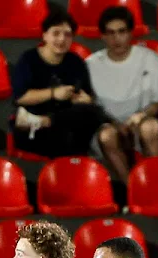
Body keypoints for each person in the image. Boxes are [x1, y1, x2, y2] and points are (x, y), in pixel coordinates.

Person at [86, 7, 158, 184]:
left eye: (121, 31)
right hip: (107, 125)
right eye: (110, 33)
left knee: (150, 127)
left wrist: (140, 117)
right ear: (103, 36)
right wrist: (115, 124)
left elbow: (157, 102)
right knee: (107, 136)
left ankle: (156, 183)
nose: (117, 39)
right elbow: (91, 106)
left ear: (131, 33)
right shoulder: (90, 65)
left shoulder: (150, 58)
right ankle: (132, 188)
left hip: (141, 121)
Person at [12, 10, 106, 159]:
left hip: (65, 123)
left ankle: (46, 122)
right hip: (32, 129)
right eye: (56, 33)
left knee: (93, 112)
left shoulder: (76, 62)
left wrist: (84, 99)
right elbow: (20, 97)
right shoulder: (28, 59)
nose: (62, 39)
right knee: (70, 139)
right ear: (45, 35)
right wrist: (54, 93)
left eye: (67, 35)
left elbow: (87, 97)